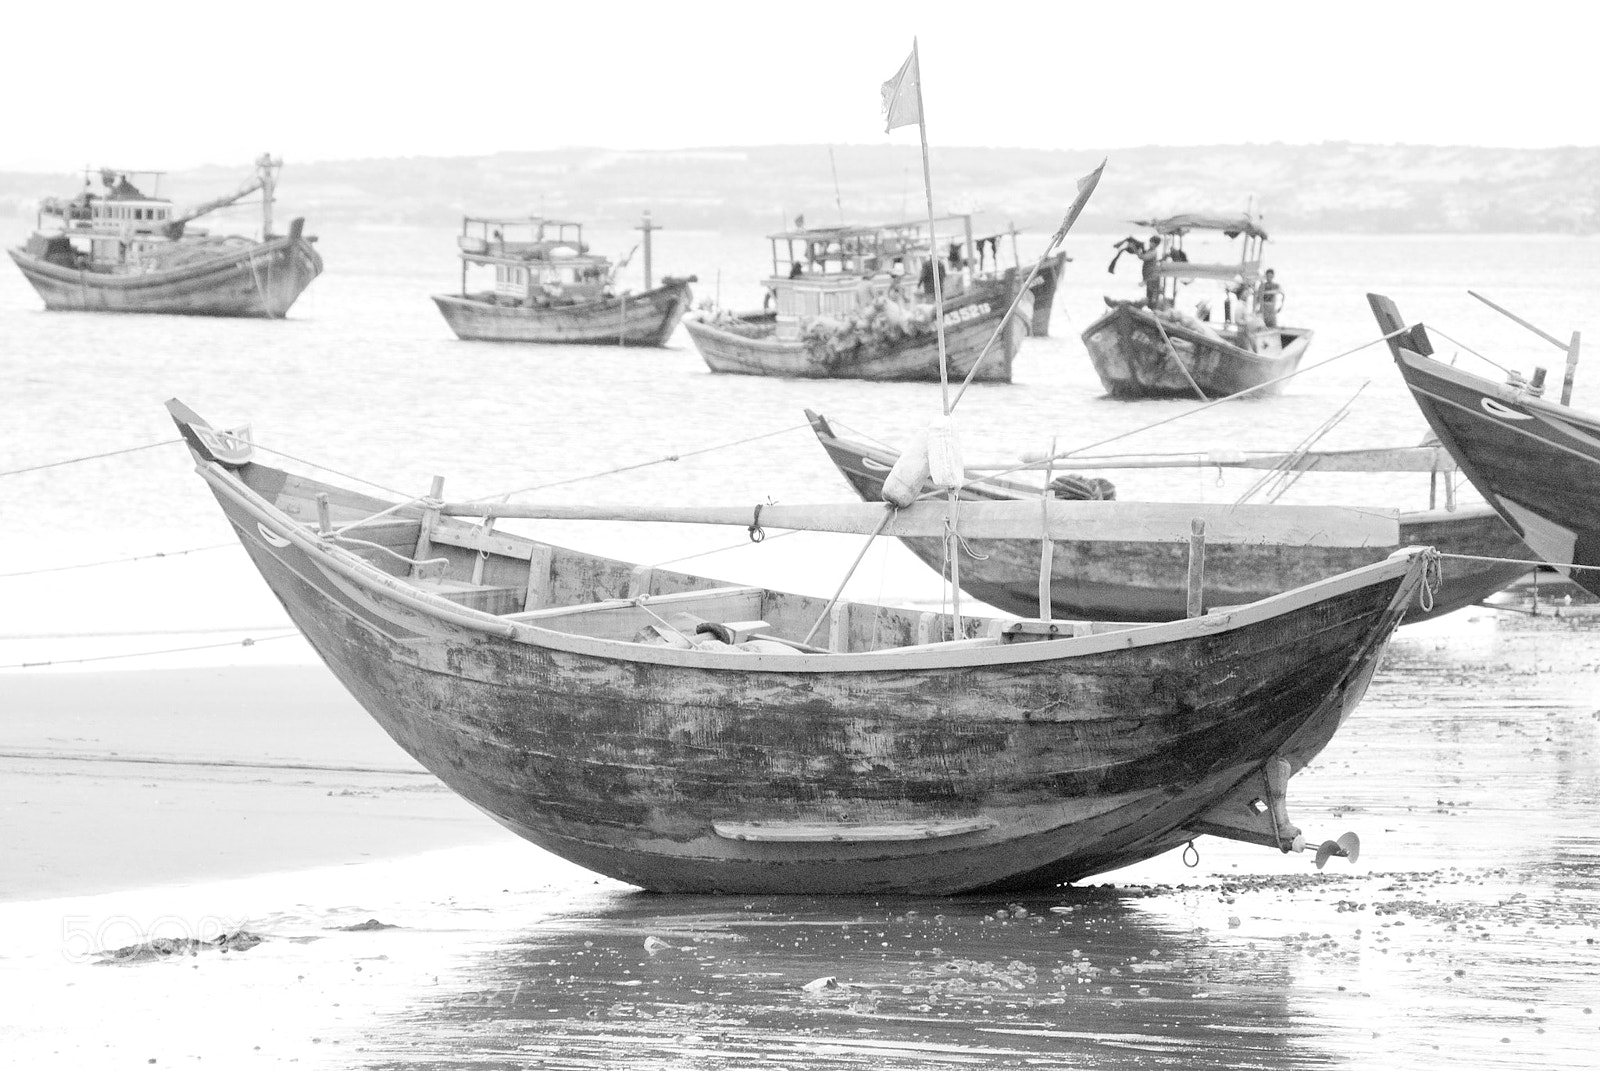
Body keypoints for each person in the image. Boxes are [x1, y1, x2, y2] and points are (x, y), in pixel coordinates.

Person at [1136, 234, 1164, 307]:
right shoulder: (1150, 250)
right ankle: (1151, 307)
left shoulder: (1153, 252)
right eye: (1150, 242)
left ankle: (1153, 308)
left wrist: (1137, 251)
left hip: (1152, 277)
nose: (1150, 244)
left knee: (1152, 296)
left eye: (1152, 243)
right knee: (1149, 294)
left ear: (1156, 244)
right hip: (1149, 277)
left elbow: (1144, 257)